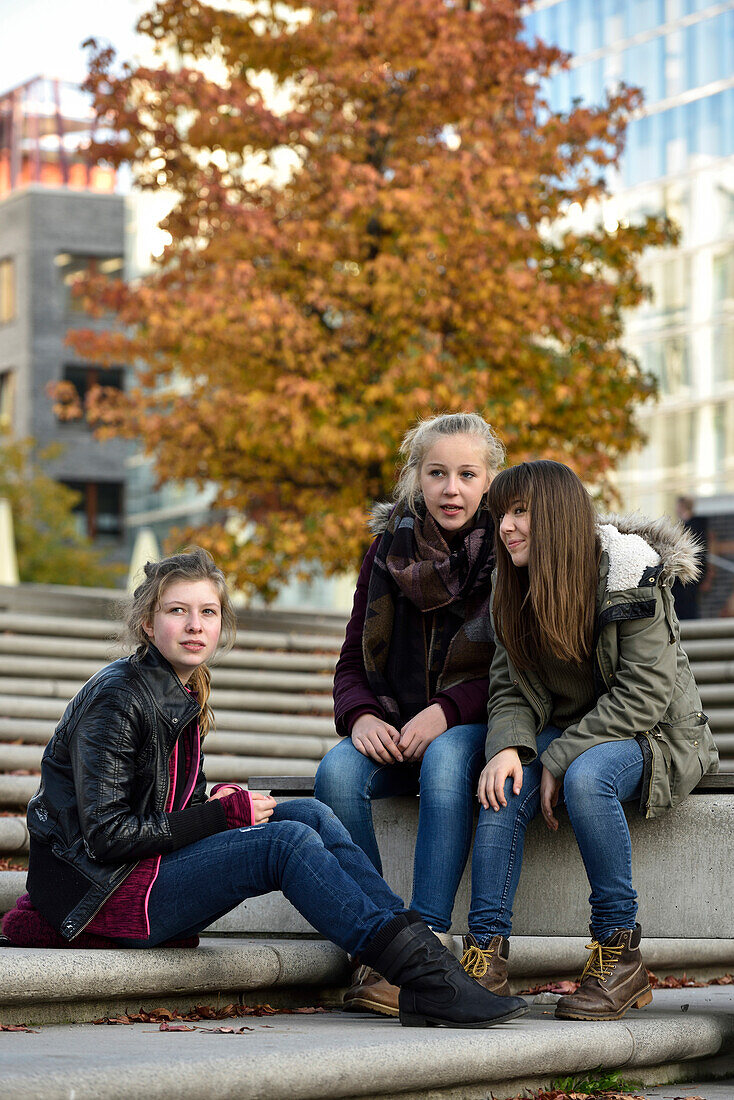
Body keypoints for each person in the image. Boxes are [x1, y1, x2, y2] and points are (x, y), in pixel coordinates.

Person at [1, 548, 526, 1030]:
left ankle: (425, 966)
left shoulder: (178, 689)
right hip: (106, 893)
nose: (194, 625)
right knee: (285, 844)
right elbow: (108, 836)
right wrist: (222, 815)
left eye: (208, 612)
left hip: (142, 874)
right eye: (177, 611)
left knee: (311, 817)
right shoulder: (119, 699)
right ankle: (426, 980)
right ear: (147, 622)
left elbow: (166, 807)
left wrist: (211, 803)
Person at [467, 460, 718, 1021]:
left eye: (520, 512)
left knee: (587, 776)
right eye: (501, 514)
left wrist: (557, 755)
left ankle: (619, 953)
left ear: (557, 516)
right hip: (575, 731)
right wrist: (509, 747)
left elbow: (645, 695)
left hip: (654, 734)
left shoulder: (632, 573)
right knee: (502, 786)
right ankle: (486, 957)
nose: (505, 527)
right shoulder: (512, 586)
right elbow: (507, 688)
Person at [315, 412, 505, 1015]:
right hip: (392, 724)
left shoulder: (509, 552)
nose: (452, 488)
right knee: (337, 773)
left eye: (467, 474)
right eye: (437, 473)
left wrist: (447, 712)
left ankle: (426, 942)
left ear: (490, 480)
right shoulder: (387, 551)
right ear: (416, 479)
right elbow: (351, 661)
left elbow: (513, 669)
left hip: (468, 726)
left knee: (446, 763)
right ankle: (382, 940)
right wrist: (362, 716)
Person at [671, 495, 709, 620]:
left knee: (687, 605)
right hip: (692, 572)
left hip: (688, 572)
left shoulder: (691, 527)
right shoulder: (695, 525)